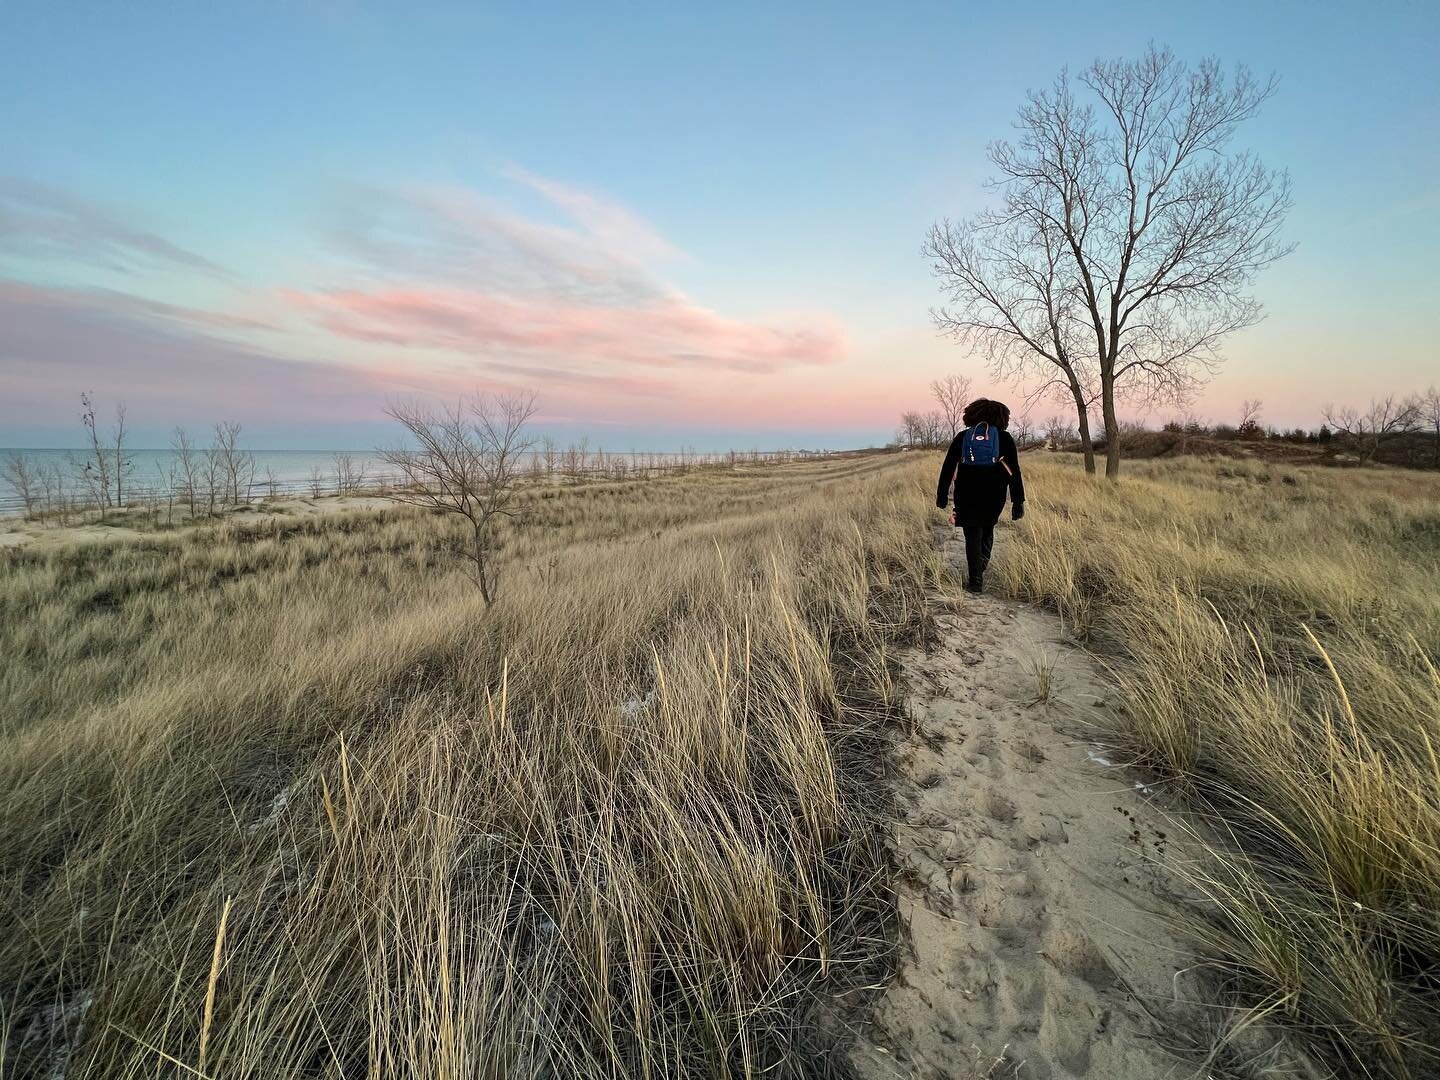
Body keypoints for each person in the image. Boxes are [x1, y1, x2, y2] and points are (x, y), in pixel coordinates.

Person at [935, 398, 1025, 593]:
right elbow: (1014, 471)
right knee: (987, 528)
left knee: (971, 533)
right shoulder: (1004, 437)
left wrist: (941, 495)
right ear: (1001, 417)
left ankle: (975, 579)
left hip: (966, 491)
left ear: (972, 415)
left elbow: (948, 466)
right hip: (994, 492)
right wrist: (1018, 501)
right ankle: (980, 566)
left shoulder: (963, 436)